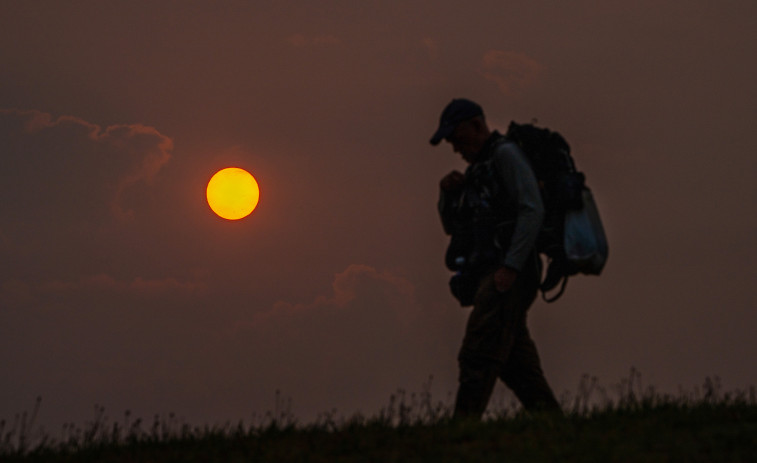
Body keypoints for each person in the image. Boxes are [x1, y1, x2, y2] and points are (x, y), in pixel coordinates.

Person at [430, 98, 561, 419]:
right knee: (518, 365)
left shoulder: (505, 155)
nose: (454, 147)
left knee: (478, 351)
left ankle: (462, 431)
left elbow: (532, 209)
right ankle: (554, 425)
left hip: (509, 272)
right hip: (495, 270)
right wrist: (447, 194)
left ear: (477, 125)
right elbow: (453, 227)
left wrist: (511, 266)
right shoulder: (478, 171)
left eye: (456, 137)